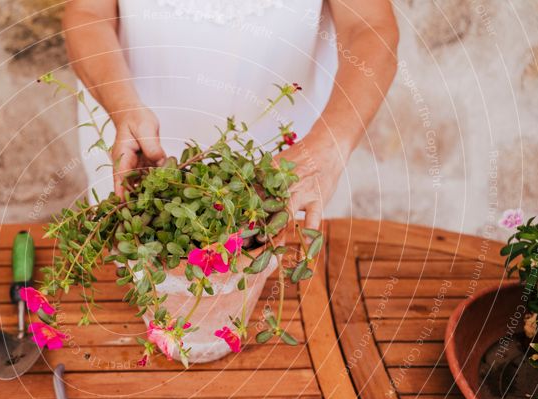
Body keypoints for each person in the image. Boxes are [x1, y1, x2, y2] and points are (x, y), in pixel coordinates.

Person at [62, 0, 398, 232]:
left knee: (291, 299)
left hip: (294, 163)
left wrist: (326, 149)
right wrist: (122, 105)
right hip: (140, 141)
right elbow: (88, 12)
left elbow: (369, 27)